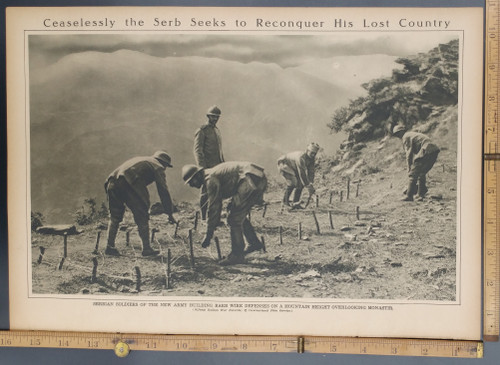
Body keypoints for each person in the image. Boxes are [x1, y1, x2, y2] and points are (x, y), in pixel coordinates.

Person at [182, 161, 267, 265]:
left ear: (198, 175)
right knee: (237, 213)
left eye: (192, 181)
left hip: (249, 180)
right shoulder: (210, 175)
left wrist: (209, 234)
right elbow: (204, 199)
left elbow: (214, 207)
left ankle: (237, 255)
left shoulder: (210, 180)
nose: (192, 185)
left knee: (233, 219)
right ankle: (254, 243)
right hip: (258, 178)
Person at [104, 151, 177, 256]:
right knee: (142, 214)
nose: (165, 169)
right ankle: (146, 248)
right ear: (164, 163)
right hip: (129, 183)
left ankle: (110, 247)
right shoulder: (158, 166)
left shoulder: (142, 159)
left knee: (114, 217)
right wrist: (169, 213)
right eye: (166, 166)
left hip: (111, 182)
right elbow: (163, 190)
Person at [392, 125, 440, 201]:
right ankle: (421, 194)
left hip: (426, 149)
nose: (398, 136)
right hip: (434, 150)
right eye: (396, 135)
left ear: (402, 131)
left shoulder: (406, 136)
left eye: (398, 134)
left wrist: (409, 168)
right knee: (421, 172)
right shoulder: (412, 134)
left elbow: (409, 154)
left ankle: (409, 195)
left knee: (413, 174)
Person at [193, 105, 225, 220]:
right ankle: (203, 217)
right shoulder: (202, 130)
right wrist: (202, 168)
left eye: (217, 117)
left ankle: (214, 216)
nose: (215, 119)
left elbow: (219, 150)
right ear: (208, 116)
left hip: (218, 167)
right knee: (205, 192)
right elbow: (198, 150)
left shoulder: (216, 130)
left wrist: (223, 164)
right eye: (213, 117)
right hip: (207, 168)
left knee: (217, 192)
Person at [277, 143, 320, 207]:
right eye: (312, 153)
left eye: (314, 153)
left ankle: (295, 203)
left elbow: (311, 171)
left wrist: (310, 183)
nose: (313, 155)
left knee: (300, 184)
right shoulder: (301, 157)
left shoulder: (312, 158)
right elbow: (302, 173)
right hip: (284, 164)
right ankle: (285, 202)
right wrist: (308, 186)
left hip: (294, 167)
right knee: (293, 182)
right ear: (307, 151)